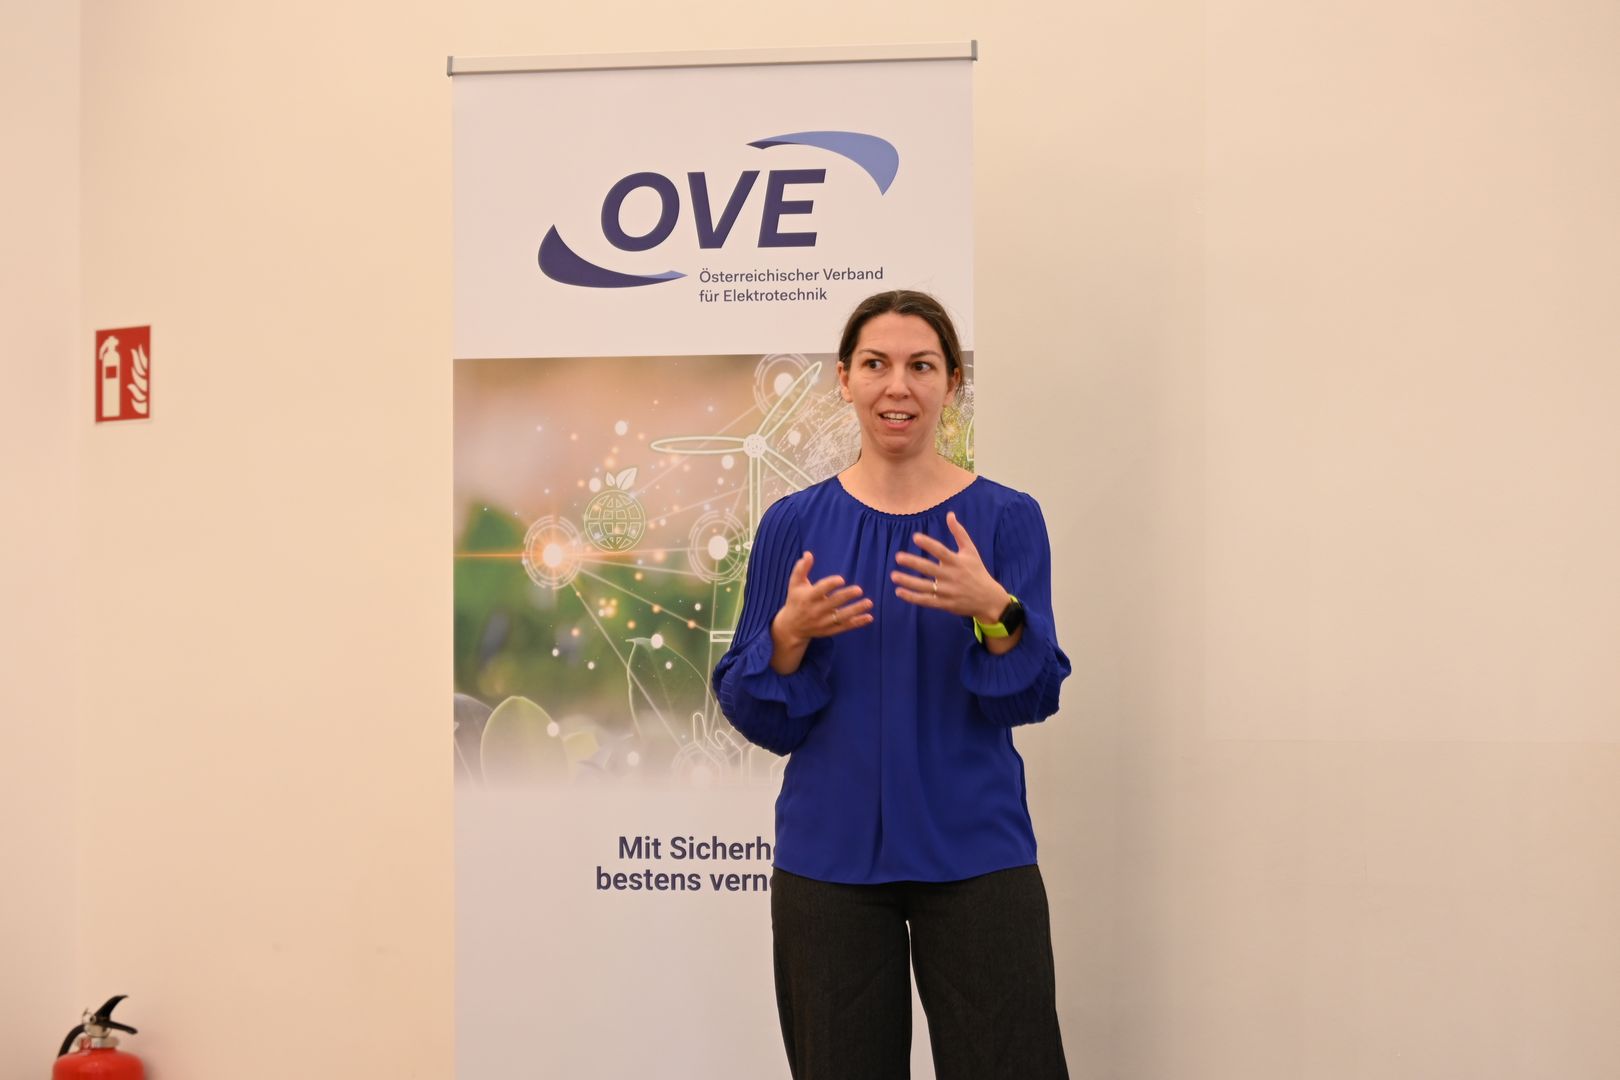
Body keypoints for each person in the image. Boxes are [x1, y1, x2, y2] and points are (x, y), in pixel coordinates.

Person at [712, 290, 1072, 1080]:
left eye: (922, 366)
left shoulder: (1006, 519)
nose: (897, 386)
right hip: (828, 862)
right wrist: (788, 635)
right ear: (844, 379)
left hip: (977, 853)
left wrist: (996, 611)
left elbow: (1028, 695)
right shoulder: (792, 525)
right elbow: (760, 714)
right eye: (875, 364)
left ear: (952, 383)